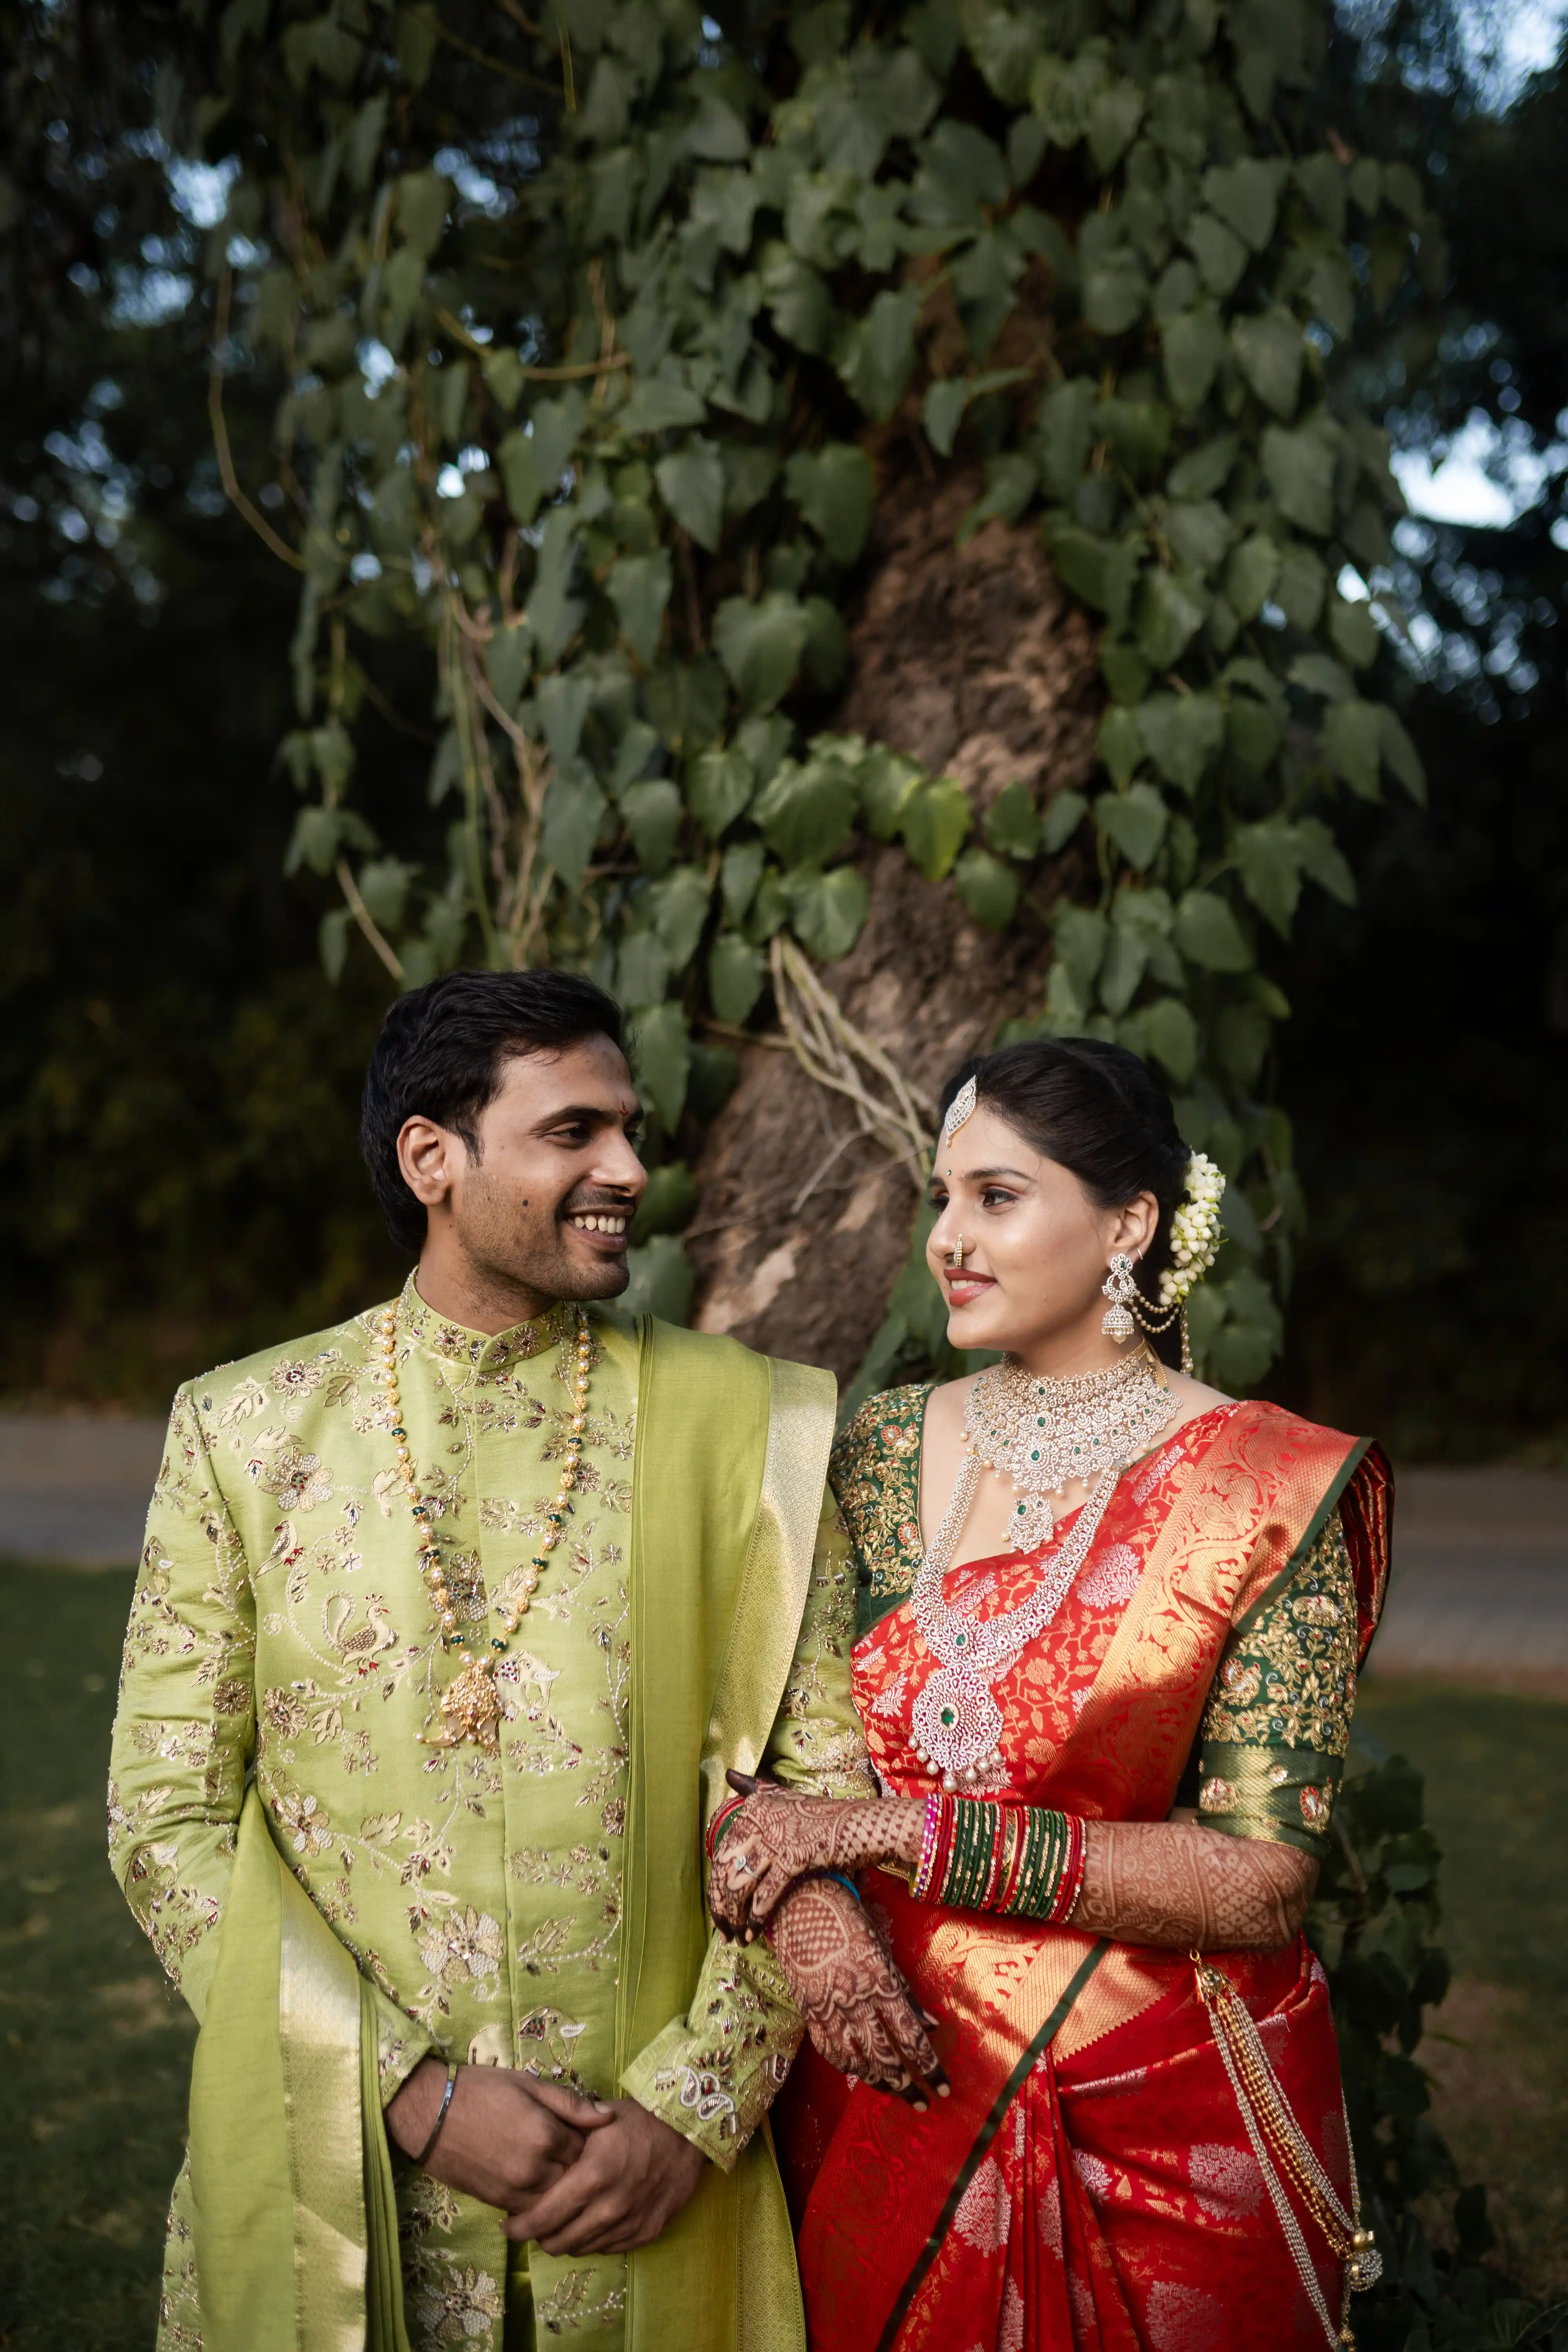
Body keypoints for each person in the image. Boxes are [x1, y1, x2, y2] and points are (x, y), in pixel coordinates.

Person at [107, 969, 938, 2352]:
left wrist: (693, 2111)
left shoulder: (748, 1428)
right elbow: (166, 1821)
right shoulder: (245, 1436)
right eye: (573, 1132)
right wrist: (407, 2093)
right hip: (345, 2179)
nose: (630, 1169)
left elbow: (820, 1799)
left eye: (631, 1129)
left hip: (648, 2191)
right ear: (433, 1157)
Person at [708, 1039, 1392, 2352]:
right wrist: (810, 1913)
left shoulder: (1266, 1489)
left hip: (1154, 2115)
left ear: (1129, 1222)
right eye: (943, 1197)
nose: (948, 1240)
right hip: (885, 2088)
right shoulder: (883, 1444)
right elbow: (764, 1752)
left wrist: (899, 1836)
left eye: (998, 1198)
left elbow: (1260, 1880)